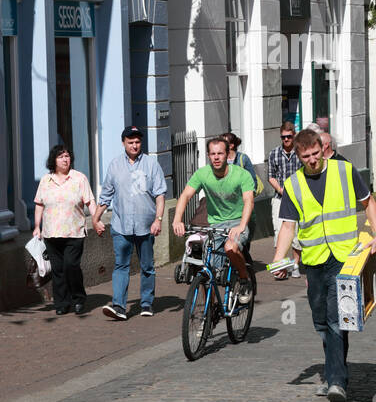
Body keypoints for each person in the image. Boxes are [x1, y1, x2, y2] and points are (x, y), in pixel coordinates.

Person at [269, 129, 376, 402]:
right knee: (321, 321)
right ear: (299, 156)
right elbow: (287, 226)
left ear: (323, 149)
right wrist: (279, 259)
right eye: (306, 156)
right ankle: (336, 370)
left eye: (316, 154)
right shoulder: (293, 184)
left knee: (335, 319)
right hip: (313, 260)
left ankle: (337, 382)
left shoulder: (344, 170)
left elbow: (368, 203)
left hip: (344, 258)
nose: (312, 160)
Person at [93, 127, 167, 320]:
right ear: (123, 142)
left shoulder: (152, 164)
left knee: (147, 266)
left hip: (146, 225)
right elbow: (106, 195)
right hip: (121, 225)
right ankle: (119, 306)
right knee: (121, 265)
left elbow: (160, 195)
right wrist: (96, 217)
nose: (134, 145)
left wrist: (158, 220)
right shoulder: (115, 165)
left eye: (137, 142)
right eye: (130, 142)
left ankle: (146, 303)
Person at [172, 137, 256, 301]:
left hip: (239, 221)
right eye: (212, 154)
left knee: (231, 248)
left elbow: (249, 201)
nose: (216, 157)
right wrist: (177, 220)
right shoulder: (202, 174)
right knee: (205, 266)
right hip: (216, 224)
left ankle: (245, 280)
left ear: (227, 154)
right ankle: (209, 309)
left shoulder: (241, 175)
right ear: (208, 156)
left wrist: (241, 226)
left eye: (220, 153)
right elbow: (185, 195)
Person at [33, 144, 95, 316]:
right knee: (58, 269)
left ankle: (78, 298)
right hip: (51, 232)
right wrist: (37, 226)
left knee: (71, 265)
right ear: (54, 160)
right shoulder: (46, 180)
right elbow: (39, 204)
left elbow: (90, 201)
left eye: (67, 156)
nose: (65, 159)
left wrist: (96, 220)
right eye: (61, 157)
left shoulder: (79, 178)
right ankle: (61, 302)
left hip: (74, 231)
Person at [267, 120, 303, 280]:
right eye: (283, 137)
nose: (286, 140)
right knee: (278, 230)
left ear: (294, 136)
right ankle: (281, 267)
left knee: (296, 233)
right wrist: (281, 190)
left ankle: (295, 265)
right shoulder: (274, 153)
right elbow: (271, 176)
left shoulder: (301, 152)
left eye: (289, 137)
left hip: (298, 198)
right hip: (279, 197)